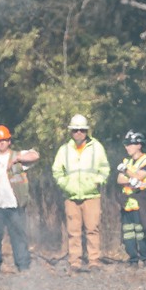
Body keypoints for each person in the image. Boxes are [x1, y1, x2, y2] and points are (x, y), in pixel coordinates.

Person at [51, 114, 109, 269]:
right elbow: (57, 171)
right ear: (71, 131)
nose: (78, 133)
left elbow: (104, 169)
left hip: (91, 196)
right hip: (71, 196)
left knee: (92, 229)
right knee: (73, 231)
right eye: (75, 130)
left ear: (86, 131)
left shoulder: (97, 147)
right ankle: (75, 261)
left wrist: (96, 182)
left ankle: (94, 261)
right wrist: (66, 185)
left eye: (82, 130)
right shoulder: (64, 150)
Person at [0, 125, 39, 272]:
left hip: (14, 205)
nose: (2, 142)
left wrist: (19, 158)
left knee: (19, 236)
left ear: (9, 141)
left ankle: (23, 265)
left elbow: (35, 155)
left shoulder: (17, 156)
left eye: (4, 140)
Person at [116, 131, 146, 265]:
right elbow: (119, 180)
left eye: (130, 144)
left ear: (139, 145)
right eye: (126, 144)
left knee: (142, 231)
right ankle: (132, 259)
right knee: (128, 233)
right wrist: (130, 179)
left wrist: (127, 172)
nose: (127, 147)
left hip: (141, 201)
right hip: (127, 202)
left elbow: (139, 176)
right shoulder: (126, 161)